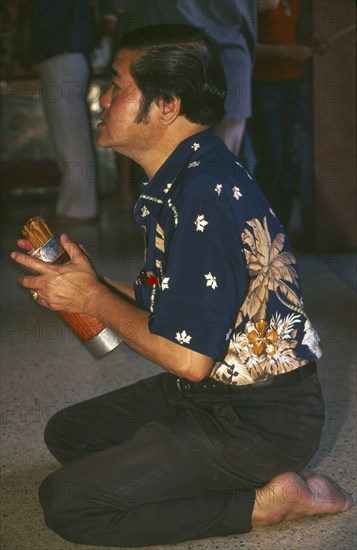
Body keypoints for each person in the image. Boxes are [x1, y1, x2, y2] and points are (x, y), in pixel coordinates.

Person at [11, 25, 353, 547]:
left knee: (69, 504)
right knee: (69, 433)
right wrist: (89, 283)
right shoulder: (186, 174)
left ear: (166, 104)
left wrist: (91, 298)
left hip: (258, 420)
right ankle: (178, 455)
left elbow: (187, 356)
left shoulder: (201, 196)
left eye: (118, 85)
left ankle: (263, 504)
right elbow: (177, 306)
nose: (105, 97)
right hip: (209, 396)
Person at [243, 0, 328, 228]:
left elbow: (290, 34)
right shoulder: (254, 4)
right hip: (263, 85)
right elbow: (245, 44)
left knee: (290, 164)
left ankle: (281, 236)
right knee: (272, 161)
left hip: (292, 83)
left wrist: (308, 43)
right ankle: (258, 235)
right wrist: (287, 51)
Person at [30, 0, 98, 220]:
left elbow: (44, 18)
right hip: (63, 59)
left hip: (63, 60)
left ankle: (79, 208)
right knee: (69, 137)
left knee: (70, 138)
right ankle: (76, 205)